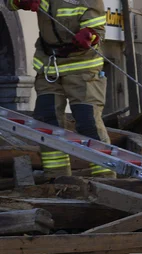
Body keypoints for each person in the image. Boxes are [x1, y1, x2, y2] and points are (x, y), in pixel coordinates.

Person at [9, 0, 115, 178]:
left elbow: (97, 31)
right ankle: (57, 178)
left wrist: (90, 36)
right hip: (49, 67)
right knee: (47, 122)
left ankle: (106, 179)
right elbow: (10, 4)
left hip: (82, 68)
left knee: (87, 122)